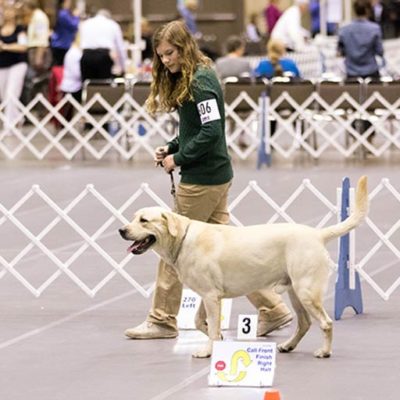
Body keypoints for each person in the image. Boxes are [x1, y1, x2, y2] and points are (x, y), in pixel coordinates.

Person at [124, 20, 292, 341]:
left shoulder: (200, 82)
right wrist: (172, 147)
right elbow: (194, 129)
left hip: (202, 180)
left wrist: (180, 158)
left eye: (170, 53)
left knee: (170, 248)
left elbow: (212, 132)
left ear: (184, 47)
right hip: (216, 175)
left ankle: (161, 319)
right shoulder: (196, 75)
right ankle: (273, 309)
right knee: (234, 253)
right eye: (160, 56)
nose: (166, 61)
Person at [0, 4, 28, 136]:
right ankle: (19, 117)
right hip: (2, 65)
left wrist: (5, 46)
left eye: (10, 11)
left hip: (17, 64)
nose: (7, 13)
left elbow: (23, 46)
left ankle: (8, 126)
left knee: (11, 94)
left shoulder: (20, 29)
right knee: (2, 96)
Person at [338, 0, 384, 79]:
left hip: (351, 73)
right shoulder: (375, 29)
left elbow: (340, 52)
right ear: (367, 10)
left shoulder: (344, 30)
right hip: (371, 73)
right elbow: (380, 52)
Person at [79, 9, 127, 81]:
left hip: (86, 56)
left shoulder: (85, 24)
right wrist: (123, 67)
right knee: (103, 85)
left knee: (87, 85)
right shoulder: (113, 24)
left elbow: (80, 42)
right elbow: (120, 48)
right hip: (103, 57)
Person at [50, 0, 80, 66]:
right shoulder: (63, 13)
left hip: (60, 44)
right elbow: (74, 26)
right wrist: (76, 16)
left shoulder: (61, 12)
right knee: (60, 68)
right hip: (61, 45)